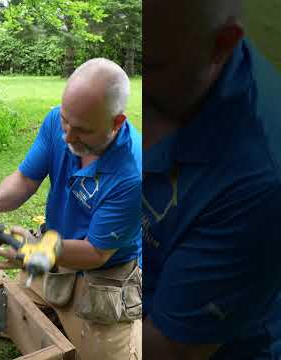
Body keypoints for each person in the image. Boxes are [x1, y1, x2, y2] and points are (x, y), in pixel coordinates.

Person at [0, 58, 142, 360]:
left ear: (116, 122)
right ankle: (59, 307)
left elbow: (96, 253)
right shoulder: (57, 120)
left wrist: (36, 253)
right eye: (66, 121)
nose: (67, 136)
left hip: (104, 272)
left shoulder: (133, 174)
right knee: (12, 318)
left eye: (81, 130)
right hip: (55, 251)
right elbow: (26, 180)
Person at [143, 0, 281, 359]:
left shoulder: (259, 177)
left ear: (222, 44)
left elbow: (172, 350)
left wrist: (82, 304)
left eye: (149, 66)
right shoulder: (175, 67)